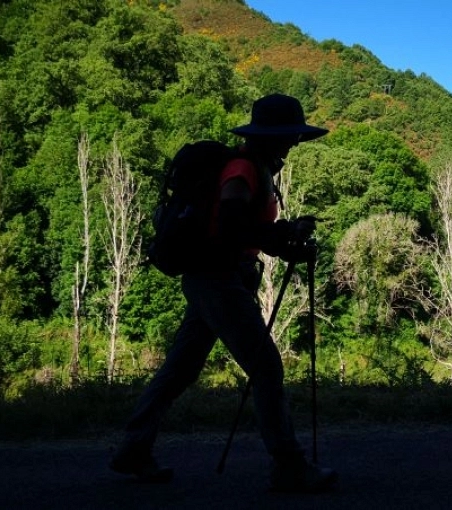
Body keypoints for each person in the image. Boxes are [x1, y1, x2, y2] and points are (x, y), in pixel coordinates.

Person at [109, 94, 338, 493]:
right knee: (266, 367)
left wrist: (280, 238)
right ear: (267, 136)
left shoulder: (253, 167)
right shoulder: (243, 169)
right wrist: (282, 235)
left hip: (212, 279)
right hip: (218, 281)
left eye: (293, 136)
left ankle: (133, 448)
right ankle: (288, 465)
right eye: (287, 135)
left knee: (181, 368)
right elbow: (232, 226)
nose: (292, 143)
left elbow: (245, 230)